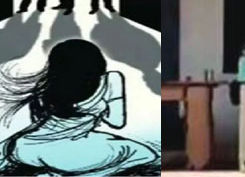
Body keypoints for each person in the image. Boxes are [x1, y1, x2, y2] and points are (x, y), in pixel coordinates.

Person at [0, 39, 159, 176]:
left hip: (22, 148)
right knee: (144, 154)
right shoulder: (111, 79)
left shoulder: (48, 84)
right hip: (68, 155)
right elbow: (116, 122)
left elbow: (38, 121)